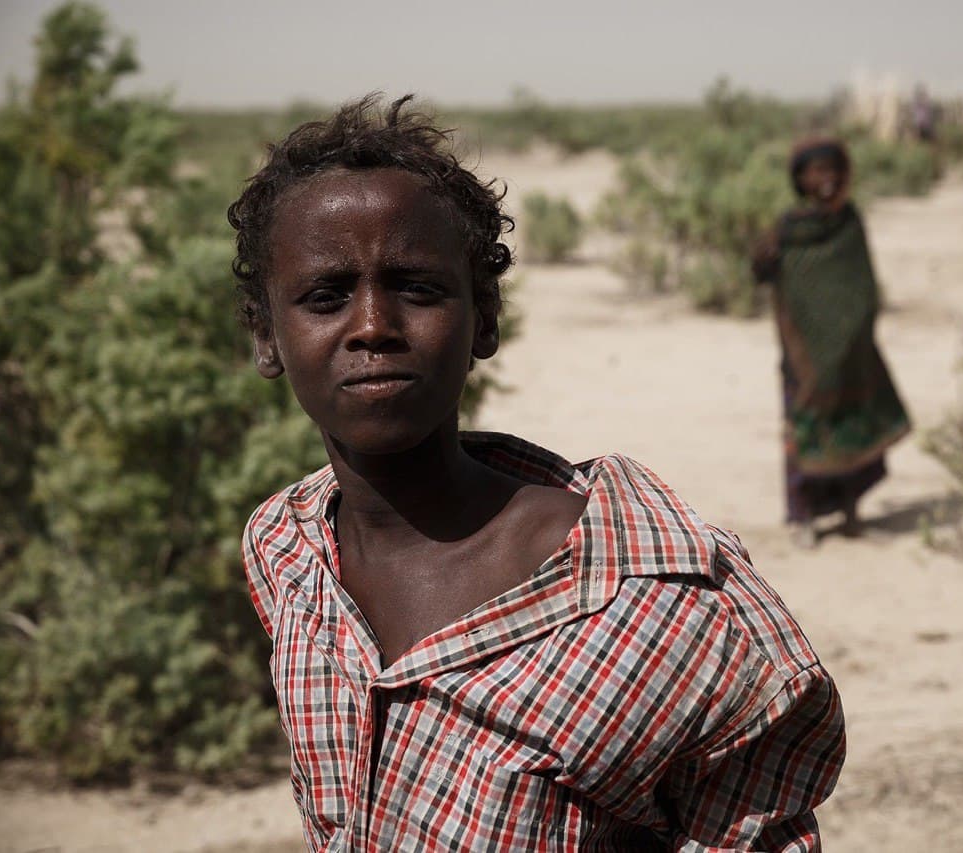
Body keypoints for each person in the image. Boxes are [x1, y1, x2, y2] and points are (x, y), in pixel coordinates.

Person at [229, 94, 845, 850]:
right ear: (266, 336)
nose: (371, 327)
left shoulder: (654, 608)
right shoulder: (288, 556)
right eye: (326, 296)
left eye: (417, 288)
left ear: (484, 315)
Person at [752, 138, 911, 548]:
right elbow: (763, 274)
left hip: (852, 348)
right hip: (803, 353)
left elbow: (861, 283)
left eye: (833, 170)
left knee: (852, 424)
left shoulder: (849, 222)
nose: (827, 179)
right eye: (816, 171)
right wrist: (763, 256)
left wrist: (856, 328)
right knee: (806, 428)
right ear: (800, 179)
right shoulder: (789, 229)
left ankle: (850, 512)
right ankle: (804, 517)